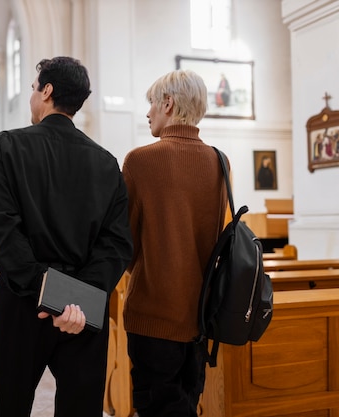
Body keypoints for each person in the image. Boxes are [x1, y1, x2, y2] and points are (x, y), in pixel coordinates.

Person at [0, 56, 133, 417]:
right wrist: (75, 302)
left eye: (34, 89)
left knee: (11, 406)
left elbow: (4, 234)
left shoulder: (7, 147)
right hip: (83, 310)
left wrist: (48, 293)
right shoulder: (106, 162)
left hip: (23, 304)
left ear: (47, 91)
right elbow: (116, 244)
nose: (33, 97)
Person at [122, 69, 228, 417]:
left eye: (152, 103)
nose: (149, 112)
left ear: (168, 103)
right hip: (201, 318)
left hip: (154, 317)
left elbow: (127, 245)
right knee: (185, 404)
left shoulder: (140, 160)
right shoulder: (220, 161)